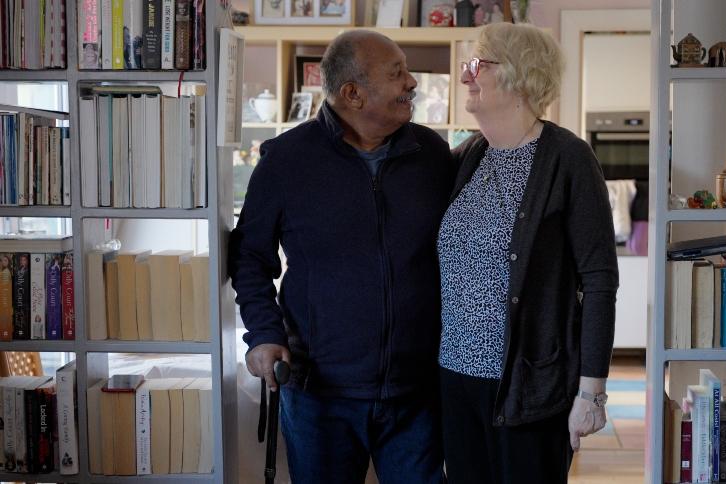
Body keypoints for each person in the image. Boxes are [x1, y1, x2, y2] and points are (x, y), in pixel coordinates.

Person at [228, 30, 455, 484]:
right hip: (320, 396)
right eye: (397, 74)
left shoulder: (432, 154)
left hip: (417, 393)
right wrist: (264, 332)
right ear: (353, 93)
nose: (412, 83)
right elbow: (250, 257)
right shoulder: (285, 160)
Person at [436, 23, 619, 484]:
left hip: (529, 384)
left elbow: (598, 279)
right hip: (456, 381)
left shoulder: (568, 159)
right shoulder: (467, 158)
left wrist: (591, 392)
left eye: (477, 65)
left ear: (519, 75)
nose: (465, 77)